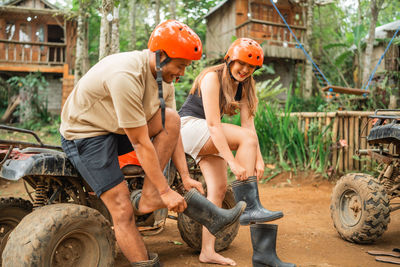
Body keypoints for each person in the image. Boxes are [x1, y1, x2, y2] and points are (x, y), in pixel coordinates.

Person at [60, 20, 245, 267]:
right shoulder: (126, 75)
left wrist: (184, 175)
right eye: (180, 65)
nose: (182, 73)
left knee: (171, 117)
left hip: (115, 128)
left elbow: (172, 130)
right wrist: (166, 190)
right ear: (160, 55)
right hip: (86, 134)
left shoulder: (163, 80)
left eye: (186, 67)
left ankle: (148, 198)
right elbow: (140, 142)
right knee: (122, 210)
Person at [179, 38, 284, 266]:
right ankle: (251, 208)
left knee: (217, 190)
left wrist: (259, 160)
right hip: (188, 128)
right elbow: (214, 125)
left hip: (207, 135)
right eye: (241, 64)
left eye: (251, 66)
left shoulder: (245, 85)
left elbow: (248, 127)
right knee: (240, 145)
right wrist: (233, 163)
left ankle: (207, 251)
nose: (245, 70)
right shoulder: (211, 77)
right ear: (229, 59)